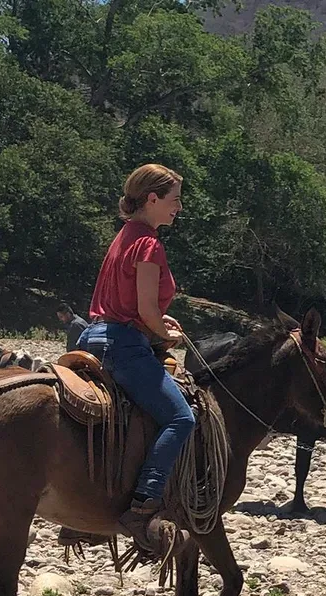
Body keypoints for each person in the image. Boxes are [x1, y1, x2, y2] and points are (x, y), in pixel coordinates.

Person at [77, 164, 193, 553]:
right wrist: (167, 334)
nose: (179, 206)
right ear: (153, 199)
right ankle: (143, 506)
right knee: (180, 418)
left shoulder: (124, 236)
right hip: (123, 345)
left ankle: (89, 508)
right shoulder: (149, 244)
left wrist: (159, 321)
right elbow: (144, 311)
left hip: (93, 336)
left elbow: (129, 304)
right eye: (175, 199)